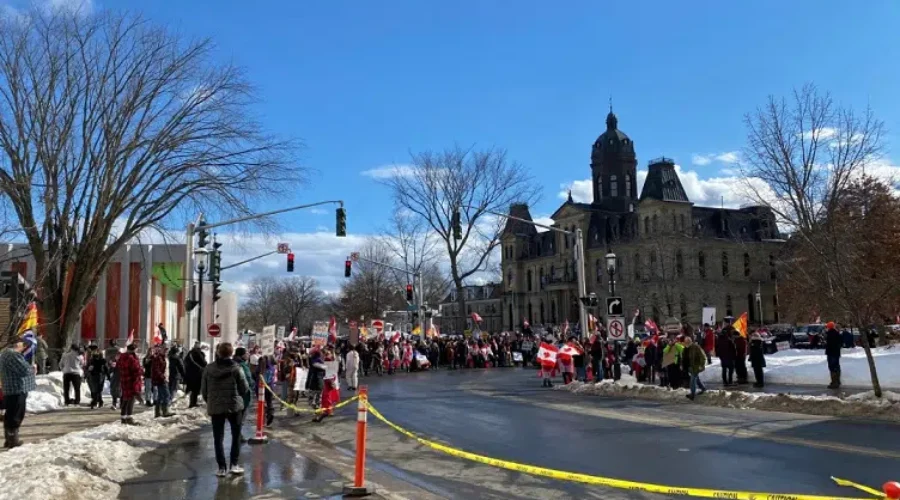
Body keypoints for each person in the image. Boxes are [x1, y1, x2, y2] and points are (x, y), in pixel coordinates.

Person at [201, 342, 250, 477]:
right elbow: (244, 388)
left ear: (218, 353)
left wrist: (211, 401)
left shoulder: (209, 369)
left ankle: (221, 467)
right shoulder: (236, 368)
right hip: (234, 406)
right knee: (235, 436)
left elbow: (204, 390)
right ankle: (234, 464)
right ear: (231, 353)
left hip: (216, 406)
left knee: (218, 437)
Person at [0, 338, 36, 448]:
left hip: (12, 388)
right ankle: (13, 440)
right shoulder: (13, 355)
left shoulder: (6, 354)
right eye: (23, 345)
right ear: (17, 344)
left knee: (11, 414)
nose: (24, 347)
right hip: (16, 389)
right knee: (15, 414)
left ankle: (9, 439)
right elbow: (24, 370)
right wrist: (32, 369)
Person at [117, 344, 143, 425]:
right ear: (134, 350)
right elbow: (136, 370)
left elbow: (118, 366)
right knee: (131, 399)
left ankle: (123, 418)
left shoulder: (121, 357)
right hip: (132, 381)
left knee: (125, 399)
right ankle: (129, 417)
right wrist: (141, 371)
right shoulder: (132, 358)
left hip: (124, 380)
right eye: (136, 350)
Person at [150, 345, 174, 418]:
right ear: (161, 350)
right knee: (167, 395)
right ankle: (165, 411)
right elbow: (156, 369)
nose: (166, 351)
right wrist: (162, 377)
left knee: (160, 396)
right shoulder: (159, 358)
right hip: (161, 379)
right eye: (165, 350)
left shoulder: (165, 358)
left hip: (165, 378)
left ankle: (158, 412)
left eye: (167, 350)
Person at [683, 336, 707, 400]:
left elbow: (703, 356)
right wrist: (682, 365)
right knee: (697, 379)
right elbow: (684, 358)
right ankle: (703, 388)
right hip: (690, 367)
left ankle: (692, 394)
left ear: (690, 341)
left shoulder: (696, 347)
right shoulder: (685, 348)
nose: (686, 343)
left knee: (692, 381)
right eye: (685, 342)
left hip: (696, 366)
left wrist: (701, 365)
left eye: (688, 342)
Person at [184, 342, 208, 407]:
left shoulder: (189, 354)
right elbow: (204, 363)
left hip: (190, 374)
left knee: (193, 389)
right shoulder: (198, 354)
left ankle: (192, 402)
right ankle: (193, 403)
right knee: (196, 389)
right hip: (197, 374)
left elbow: (185, 362)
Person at [86, 345, 108, 409]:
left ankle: (96, 401)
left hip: (96, 375)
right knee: (96, 389)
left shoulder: (94, 359)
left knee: (96, 389)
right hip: (98, 375)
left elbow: (90, 367)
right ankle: (97, 401)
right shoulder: (95, 358)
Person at [824, 321, 842, 389]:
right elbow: (840, 342)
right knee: (837, 366)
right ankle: (837, 381)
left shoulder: (829, 334)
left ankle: (834, 383)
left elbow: (829, 344)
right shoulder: (837, 333)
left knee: (832, 367)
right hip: (836, 353)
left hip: (831, 353)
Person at [105, 340, 121, 409]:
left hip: (112, 370)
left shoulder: (107, 350)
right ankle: (119, 403)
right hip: (118, 373)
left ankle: (114, 403)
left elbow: (106, 359)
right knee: (119, 388)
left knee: (114, 388)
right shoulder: (118, 349)